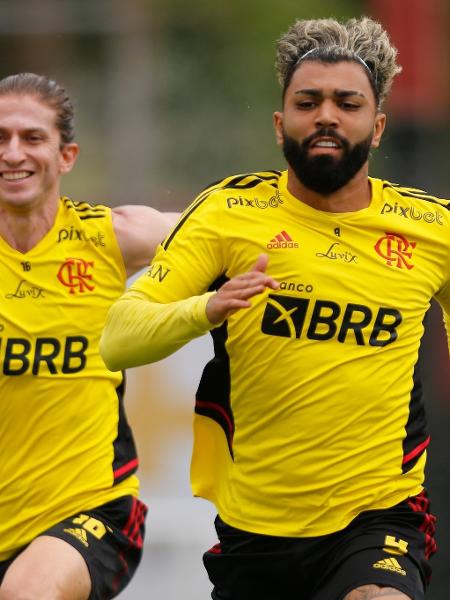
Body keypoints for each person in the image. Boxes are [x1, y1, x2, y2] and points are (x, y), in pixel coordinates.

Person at [100, 16, 450, 600]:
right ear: (279, 122)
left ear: (379, 125)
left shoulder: (432, 228)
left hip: (380, 514)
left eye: (347, 102)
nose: (327, 116)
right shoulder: (227, 213)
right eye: (307, 101)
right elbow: (119, 337)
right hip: (256, 529)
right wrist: (206, 309)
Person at [0, 72, 179, 600]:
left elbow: (227, 231)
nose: (13, 153)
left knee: (28, 593)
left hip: (93, 510)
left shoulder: (112, 237)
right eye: (0, 138)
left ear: (67, 155)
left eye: (32, 138)